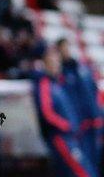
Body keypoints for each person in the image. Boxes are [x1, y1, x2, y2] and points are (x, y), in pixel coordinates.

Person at [33, 45, 97, 177]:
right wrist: (66, 125)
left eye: (58, 62)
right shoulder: (45, 84)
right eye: (53, 62)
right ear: (46, 63)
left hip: (71, 137)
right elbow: (47, 113)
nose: (56, 65)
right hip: (61, 138)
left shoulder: (60, 83)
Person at [57, 38, 102, 173]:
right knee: (83, 164)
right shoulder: (61, 74)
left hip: (93, 121)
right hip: (78, 126)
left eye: (68, 47)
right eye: (63, 49)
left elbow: (94, 92)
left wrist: (98, 114)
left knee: (96, 160)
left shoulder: (83, 69)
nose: (67, 51)